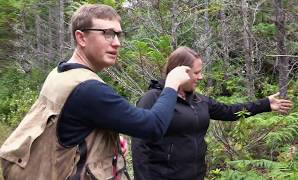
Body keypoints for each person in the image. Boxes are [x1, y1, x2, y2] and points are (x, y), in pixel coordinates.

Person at [0, 4, 191, 180]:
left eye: (118, 34)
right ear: (81, 37)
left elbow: (70, 129)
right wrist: (172, 84)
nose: (116, 42)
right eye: (107, 33)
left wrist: (108, 141)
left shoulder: (62, 72)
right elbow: (153, 127)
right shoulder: (89, 89)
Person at [131, 47, 292, 180]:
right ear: (179, 72)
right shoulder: (152, 99)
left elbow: (229, 111)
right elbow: (140, 147)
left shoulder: (198, 100)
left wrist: (265, 104)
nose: (200, 77)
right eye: (196, 72)